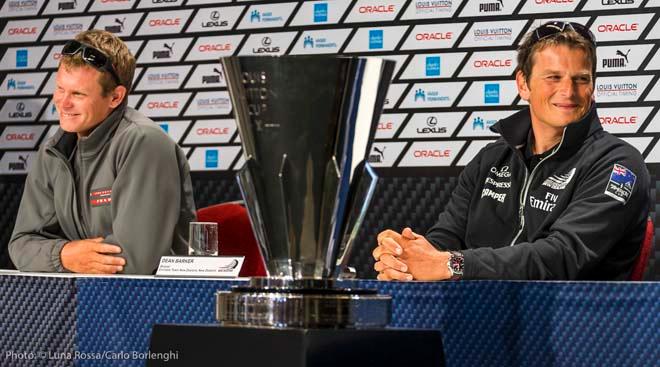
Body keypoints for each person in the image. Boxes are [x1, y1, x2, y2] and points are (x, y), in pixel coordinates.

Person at [372, 21, 650, 281]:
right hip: (481, 319)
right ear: (523, 84)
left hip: (576, 325)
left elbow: (561, 257)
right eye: (553, 77)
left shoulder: (618, 165)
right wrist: (404, 257)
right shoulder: (490, 160)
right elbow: (446, 239)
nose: (568, 91)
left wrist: (451, 264)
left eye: (581, 79)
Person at [9, 30, 196, 274]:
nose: (63, 103)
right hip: (89, 302)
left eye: (78, 94)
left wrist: (63, 256)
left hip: (158, 305)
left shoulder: (143, 143)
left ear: (116, 97)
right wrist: (65, 255)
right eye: (60, 89)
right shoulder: (53, 151)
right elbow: (22, 246)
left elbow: (131, 262)